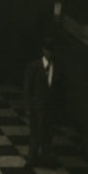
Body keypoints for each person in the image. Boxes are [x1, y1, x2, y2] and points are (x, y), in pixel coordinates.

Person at [23, 39, 58, 167]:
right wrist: (28, 107)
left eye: (52, 51)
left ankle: (46, 157)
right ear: (44, 50)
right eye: (48, 50)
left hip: (50, 107)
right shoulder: (34, 66)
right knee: (35, 133)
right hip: (37, 107)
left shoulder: (57, 68)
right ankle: (31, 157)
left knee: (48, 133)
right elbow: (27, 88)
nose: (50, 53)